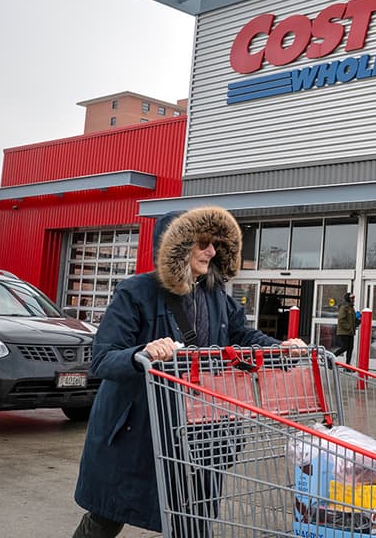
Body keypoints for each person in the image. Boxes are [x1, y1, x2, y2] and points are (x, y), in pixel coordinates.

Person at [71, 207, 293, 538]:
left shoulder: (216, 296)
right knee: (109, 514)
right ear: (178, 246)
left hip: (201, 427)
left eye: (215, 244)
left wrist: (282, 350)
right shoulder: (136, 292)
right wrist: (143, 352)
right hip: (140, 427)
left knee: (194, 515)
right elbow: (103, 357)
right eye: (203, 243)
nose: (211, 251)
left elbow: (243, 337)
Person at [335, 291, 356, 364]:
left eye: (353, 298)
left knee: (350, 348)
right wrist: (349, 327)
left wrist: (357, 321)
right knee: (345, 347)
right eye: (351, 298)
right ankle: (330, 358)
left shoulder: (351, 307)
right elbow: (341, 319)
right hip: (344, 332)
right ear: (348, 298)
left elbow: (351, 320)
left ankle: (347, 365)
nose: (353, 299)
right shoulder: (344, 307)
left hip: (350, 332)